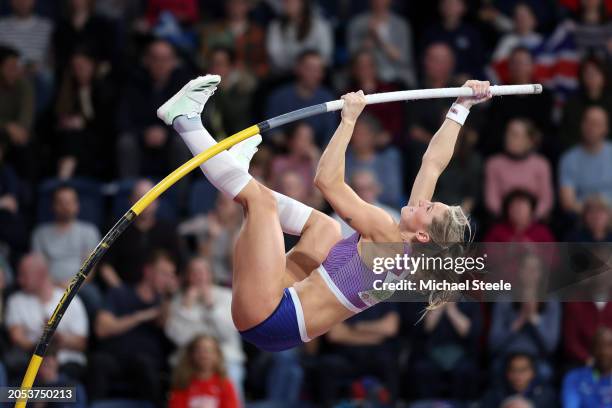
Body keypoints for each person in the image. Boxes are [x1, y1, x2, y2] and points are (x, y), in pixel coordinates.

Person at [156, 75, 491, 353]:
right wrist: (462, 106)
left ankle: (183, 119)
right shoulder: (408, 248)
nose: (423, 202)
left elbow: (326, 181)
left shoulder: (387, 235)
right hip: (285, 321)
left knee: (261, 204)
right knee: (325, 228)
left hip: (269, 317)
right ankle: (235, 172)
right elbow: (433, 164)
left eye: (429, 208)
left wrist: (348, 119)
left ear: (423, 234)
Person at [89, 250, 177, 403]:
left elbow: (166, 323)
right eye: (163, 273)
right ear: (148, 271)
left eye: (171, 275)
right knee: (98, 362)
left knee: (145, 365)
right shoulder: (120, 293)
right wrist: (140, 316)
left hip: (146, 364)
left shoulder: (166, 304)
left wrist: (169, 298)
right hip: (114, 359)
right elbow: (102, 329)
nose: (167, 280)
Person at [165, 257, 246, 400]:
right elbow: (178, 338)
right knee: (181, 378)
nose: (199, 277)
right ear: (188, 277)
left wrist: (211, 307)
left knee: (232, 377)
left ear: (210, 274)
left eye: (203, 272)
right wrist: (186, 309)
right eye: (194, 273)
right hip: (190, 360)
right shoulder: (180, 300)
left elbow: (227, 333)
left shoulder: (226, 296)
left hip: (226, 357)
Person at [5, 253, 88, 380]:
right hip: (31, 362)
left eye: (24, 274)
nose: (19, 280)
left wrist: (59, 338)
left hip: (66, 364)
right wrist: (43, 342)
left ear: (40, 274)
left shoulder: (70, 300)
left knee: (71, 385)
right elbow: (17, 337)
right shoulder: (16, 300)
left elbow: (82, 342)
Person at [100, 179, 183, 286]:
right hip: (126, 291)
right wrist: (122, 292)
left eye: (150, 198)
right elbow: (105, 266)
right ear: (131, 201)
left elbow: (180, 265)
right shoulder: (117, 229)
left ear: (157, 201)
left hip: (161, 291)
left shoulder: (168, 230)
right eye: (140, 198)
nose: (145, 203)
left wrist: (170, 286)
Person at [484, 118, 554, 220]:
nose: (508, 138)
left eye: (515, 135)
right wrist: (511, 217)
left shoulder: (541, 164)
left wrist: (529, 218)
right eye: (507, 133)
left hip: (534, 222)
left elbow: (546, 200)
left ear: (529, 141)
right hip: (503, 220)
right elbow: (491, 200)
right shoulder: (493, 164)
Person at [265, 50, 336, 145]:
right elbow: (271, 131)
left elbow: (330, 136)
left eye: (319, 69)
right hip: (283, 151)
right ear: (298, 69)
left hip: (317, 153)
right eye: (310, 69)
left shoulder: (328, 98)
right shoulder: (279, 96)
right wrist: (295, 145)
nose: (314, 74)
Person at [347, 0, 415, 86]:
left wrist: (379, 39)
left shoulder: (401, 25)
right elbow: (352, 57)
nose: (379, 2)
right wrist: (367, 41)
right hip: (369, 78)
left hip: (397, 77)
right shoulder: (357, 23)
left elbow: (404, 58)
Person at [559, 106, 612, 215]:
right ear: (582, 125)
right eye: (588, 122)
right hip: (583, 219)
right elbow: (568, 202)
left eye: (597, 124)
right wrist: (595, 214)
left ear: (606, 128)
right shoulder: (569, 158)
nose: (591, 128)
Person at [198, 0, 268, 78]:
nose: (236, 7)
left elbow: (264, 62)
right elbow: (203, 60)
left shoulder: (257, 33)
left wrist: (249, 69)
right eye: (232, 3)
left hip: (250, 79)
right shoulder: (213, 31)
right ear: (227, 5)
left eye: (240, 3)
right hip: (219, 78)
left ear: (247, 6)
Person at [168, 335, 240, 408]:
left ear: (217, 355)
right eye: (199, 351)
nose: (204, 355)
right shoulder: (183, 383)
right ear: (191, 354)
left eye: (209, 351)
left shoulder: (224, 384)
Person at [266, 0, 333, 73]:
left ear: (302, 3)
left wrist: (308, 67)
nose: (286, 4)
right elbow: (276, 56)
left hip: (315, 74)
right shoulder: (275, 26)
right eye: (285, 1)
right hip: (286, 74)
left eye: (290, 1)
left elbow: (326, 56)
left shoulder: (320, 26)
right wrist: (298, 68)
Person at [560, 56, 612, 149]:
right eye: (588, 73)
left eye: (596, 73)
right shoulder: (572, 103)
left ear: (604, 75)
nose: (592, 77)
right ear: (581, 76)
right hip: (579, 152)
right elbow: (567, 135)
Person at [333, 170, 400, 238]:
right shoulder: (338, 219)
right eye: (359, 189)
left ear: (377, 188)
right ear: (351, 191)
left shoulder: (392, 216)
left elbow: (398, 246)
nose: (364, 193)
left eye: (369, 187)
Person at [480, 353, 558, 408]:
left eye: (523, 370)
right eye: (513, 370)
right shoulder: (494, 394)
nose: (518, 375)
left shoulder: (547, 395)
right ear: (507, 373)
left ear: (533, 372)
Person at [562, 327, 612, 407]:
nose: (604, 351)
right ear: (591, 350)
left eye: (610, 345)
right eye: (599, 346)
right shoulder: (574, 378)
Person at [485, 190, 555, 243]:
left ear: (532, 210)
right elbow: (484, 258)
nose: (518, 211)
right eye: (514, 207)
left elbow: (554, 259)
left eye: (522, 207)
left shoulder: (542, 232)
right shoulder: (497, 232)